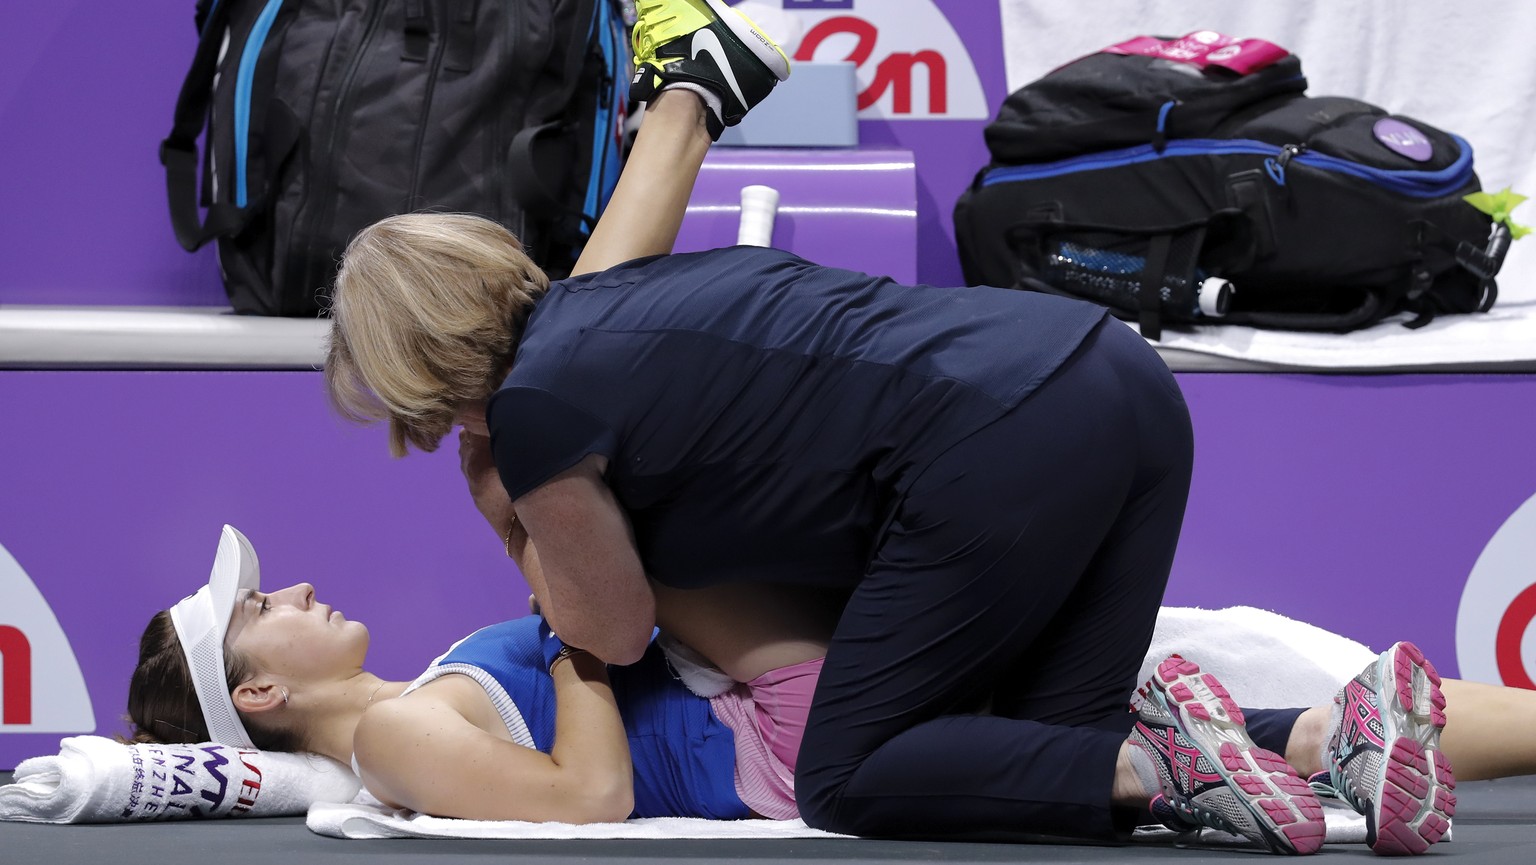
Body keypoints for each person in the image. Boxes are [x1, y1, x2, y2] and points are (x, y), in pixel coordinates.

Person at [321, 0, 1452, 855]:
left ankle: (1174, 763)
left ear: (427, 386)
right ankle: (1333, 737)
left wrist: (505, 508)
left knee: (847, 775)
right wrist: (688, 101)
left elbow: (609, 634)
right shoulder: (603, 304)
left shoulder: (531, 420)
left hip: (997, 439)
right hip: (1115, 374)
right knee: (1042, 759)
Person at [129, 526, 1532, 850]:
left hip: (803, 708)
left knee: (1285, 699)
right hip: (793, 736)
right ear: (254, 690)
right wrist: (581, 642)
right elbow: (590, 798)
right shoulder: (390, 729)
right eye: (267, 608)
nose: (297, 590)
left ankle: (1279, 750)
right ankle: (1183, 761)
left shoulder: (406, 710)